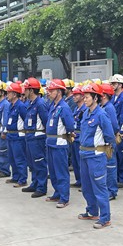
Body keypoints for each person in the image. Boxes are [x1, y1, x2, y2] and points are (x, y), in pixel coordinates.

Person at [78, 83, 115, 229]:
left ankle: (105, 217)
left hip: (96, 156)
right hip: (84, 154)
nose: (84, 99)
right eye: (84, 97)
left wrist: (104, 148)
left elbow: (109, 135)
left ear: (95, 98)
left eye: (87, 97)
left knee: (100, 187)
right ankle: (92, 211)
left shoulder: (101, 114)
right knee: (87, 187)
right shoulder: (86, 113)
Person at [45, 79, 75, 208]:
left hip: (59, 143)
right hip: (50, 142)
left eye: (51, 90)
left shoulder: (64, 107)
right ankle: (57, 193)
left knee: (61, 171)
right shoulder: (53, 106)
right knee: (52, 171)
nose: (48, 92)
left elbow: (70, 126)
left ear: (58, 92)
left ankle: (64, 197)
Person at [21, 78, 49, 198]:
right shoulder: (30, 103)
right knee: (32, 163)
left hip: (37, 137)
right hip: (30, 136)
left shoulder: (40, 104)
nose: (24, 92)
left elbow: (46, 121)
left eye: (26, 89)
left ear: (31, 90)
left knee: (39, 162)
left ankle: (41, 187)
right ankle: (35, 183)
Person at [3, 82, 28, 187]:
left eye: (9, 93)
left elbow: (25, 120)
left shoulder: (21, 106)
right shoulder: (11, 106)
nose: (7, 95)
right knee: (12, 158)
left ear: (14, 94)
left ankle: (22, 179)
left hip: (18, 136)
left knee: (19, 158)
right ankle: (15, 176)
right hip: (10, 135)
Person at [109, 74, 123, 189]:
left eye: (114, 83)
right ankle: (117, 177)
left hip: (120, 131)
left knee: (122, 154)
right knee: (115, 155)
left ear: (120, 85)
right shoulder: (113, 98)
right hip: (113, 130)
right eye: (111, 83)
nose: (112, 85)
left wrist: (121, 132)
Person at [100, 83, 119, 200]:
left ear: (104, 95)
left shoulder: (109, 108)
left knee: (110, 166)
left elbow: (114, 126)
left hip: (108, 142)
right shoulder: (103, 107)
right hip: (103, 141)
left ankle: (112, 191)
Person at [70, 85, 86, 189]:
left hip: (80, 137)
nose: (74, 97)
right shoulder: (76, 108)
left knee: (81, 162)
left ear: (82, 96)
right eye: (74, 95)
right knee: (75, 161)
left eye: (76, 95)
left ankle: (84, 182)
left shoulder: (85, 109)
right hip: (74, 137)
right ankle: (78, 180)